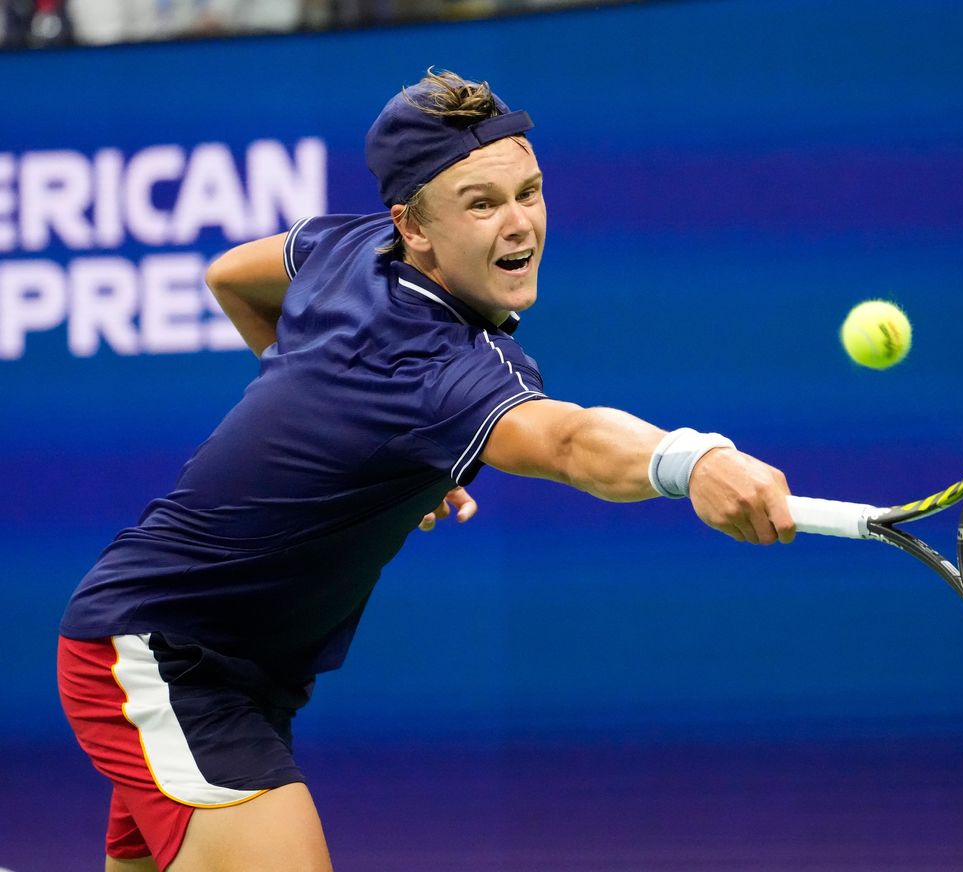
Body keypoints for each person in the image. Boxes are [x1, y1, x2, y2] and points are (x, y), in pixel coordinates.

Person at [57, 69, 795, 871]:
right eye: (481, 204)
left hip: (233, 665)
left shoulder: (347, 248)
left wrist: (345, 425)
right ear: (412, 226)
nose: (519, 225)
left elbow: (230, 274)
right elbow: (567, 443)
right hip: (167, 651)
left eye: (529, 191)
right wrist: (694, 460)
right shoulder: (438, 364)